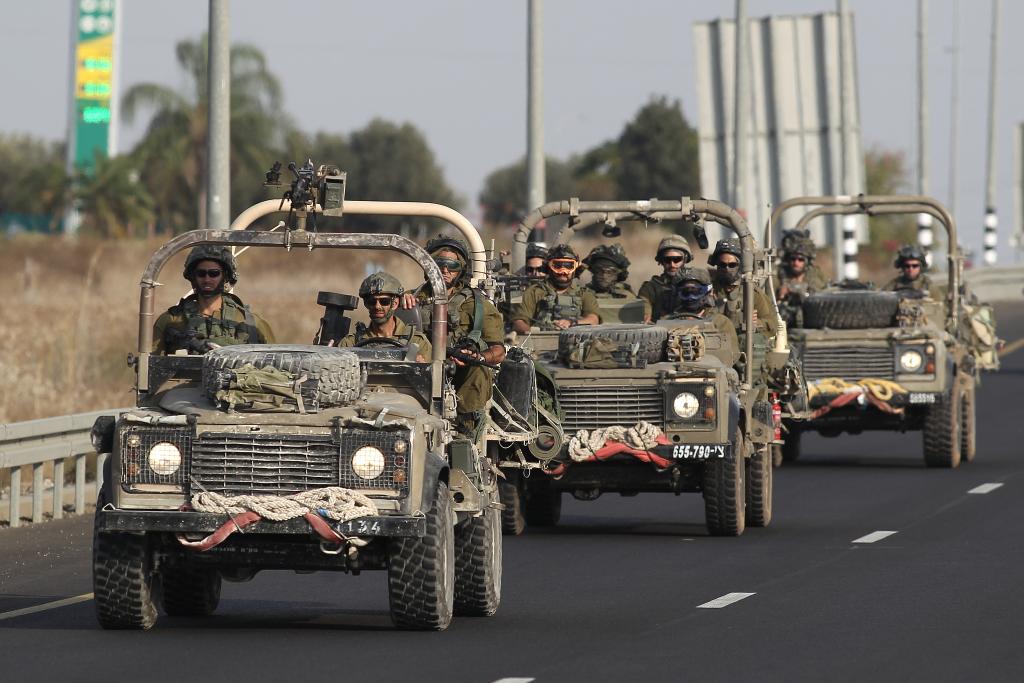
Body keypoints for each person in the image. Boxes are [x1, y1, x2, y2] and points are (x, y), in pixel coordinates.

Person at [408, 236, 507, 438]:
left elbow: (498, 351)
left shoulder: (477, 304)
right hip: (419, 369)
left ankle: (465, 432)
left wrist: (477, 357)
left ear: (460, 269)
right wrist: (400, 306)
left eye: (452, 266)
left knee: (479, 369)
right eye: (439, 264)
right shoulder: (410, 299)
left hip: (462, 375)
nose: (445, 270)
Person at [153, 245, 274, 354]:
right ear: (193, 277)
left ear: (225, 276)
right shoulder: (170, 321)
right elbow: (151, 364)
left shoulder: (251, 323)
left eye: (214, 273)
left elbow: (275, 363)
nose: (207, 279)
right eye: (201, 273)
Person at [338, 272, 432, 362]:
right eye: (372, 302)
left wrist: (422, 366)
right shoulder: (351, 343)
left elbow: (434, 372)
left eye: (384, 301)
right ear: (366, 304)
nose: (377, 306)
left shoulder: (417, 342)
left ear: (395, 303)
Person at [511, 244, 601, 332]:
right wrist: (533, 334)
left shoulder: (584, 294)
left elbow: (593, 320)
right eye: (557, 266)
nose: (563, 271)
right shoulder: (534, 292)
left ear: (575, 268)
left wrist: (572, 323)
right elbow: (519, 322)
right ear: (548, 267)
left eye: (568, 266)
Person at [662, 266, 739, 360]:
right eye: (685, 292)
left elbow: (732, 357)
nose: (690, 297)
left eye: (696, 292)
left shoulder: (721, 323)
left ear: (709, 292)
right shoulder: (667, 322)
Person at [707, 238, 779, 335]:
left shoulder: (751, 293)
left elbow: (772, 324)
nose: (727, 269)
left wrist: (756, 323)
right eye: (722, 265)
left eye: (732, 265)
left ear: (741, 265)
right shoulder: (708, 290)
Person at [638, 235, 692, 323]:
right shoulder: (650, 288)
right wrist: (646, 315)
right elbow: (644, 309)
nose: (672, 264)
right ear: (661, 261)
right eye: (667, 260)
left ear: (685, 260)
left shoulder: (696, 286)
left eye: (677, 259)